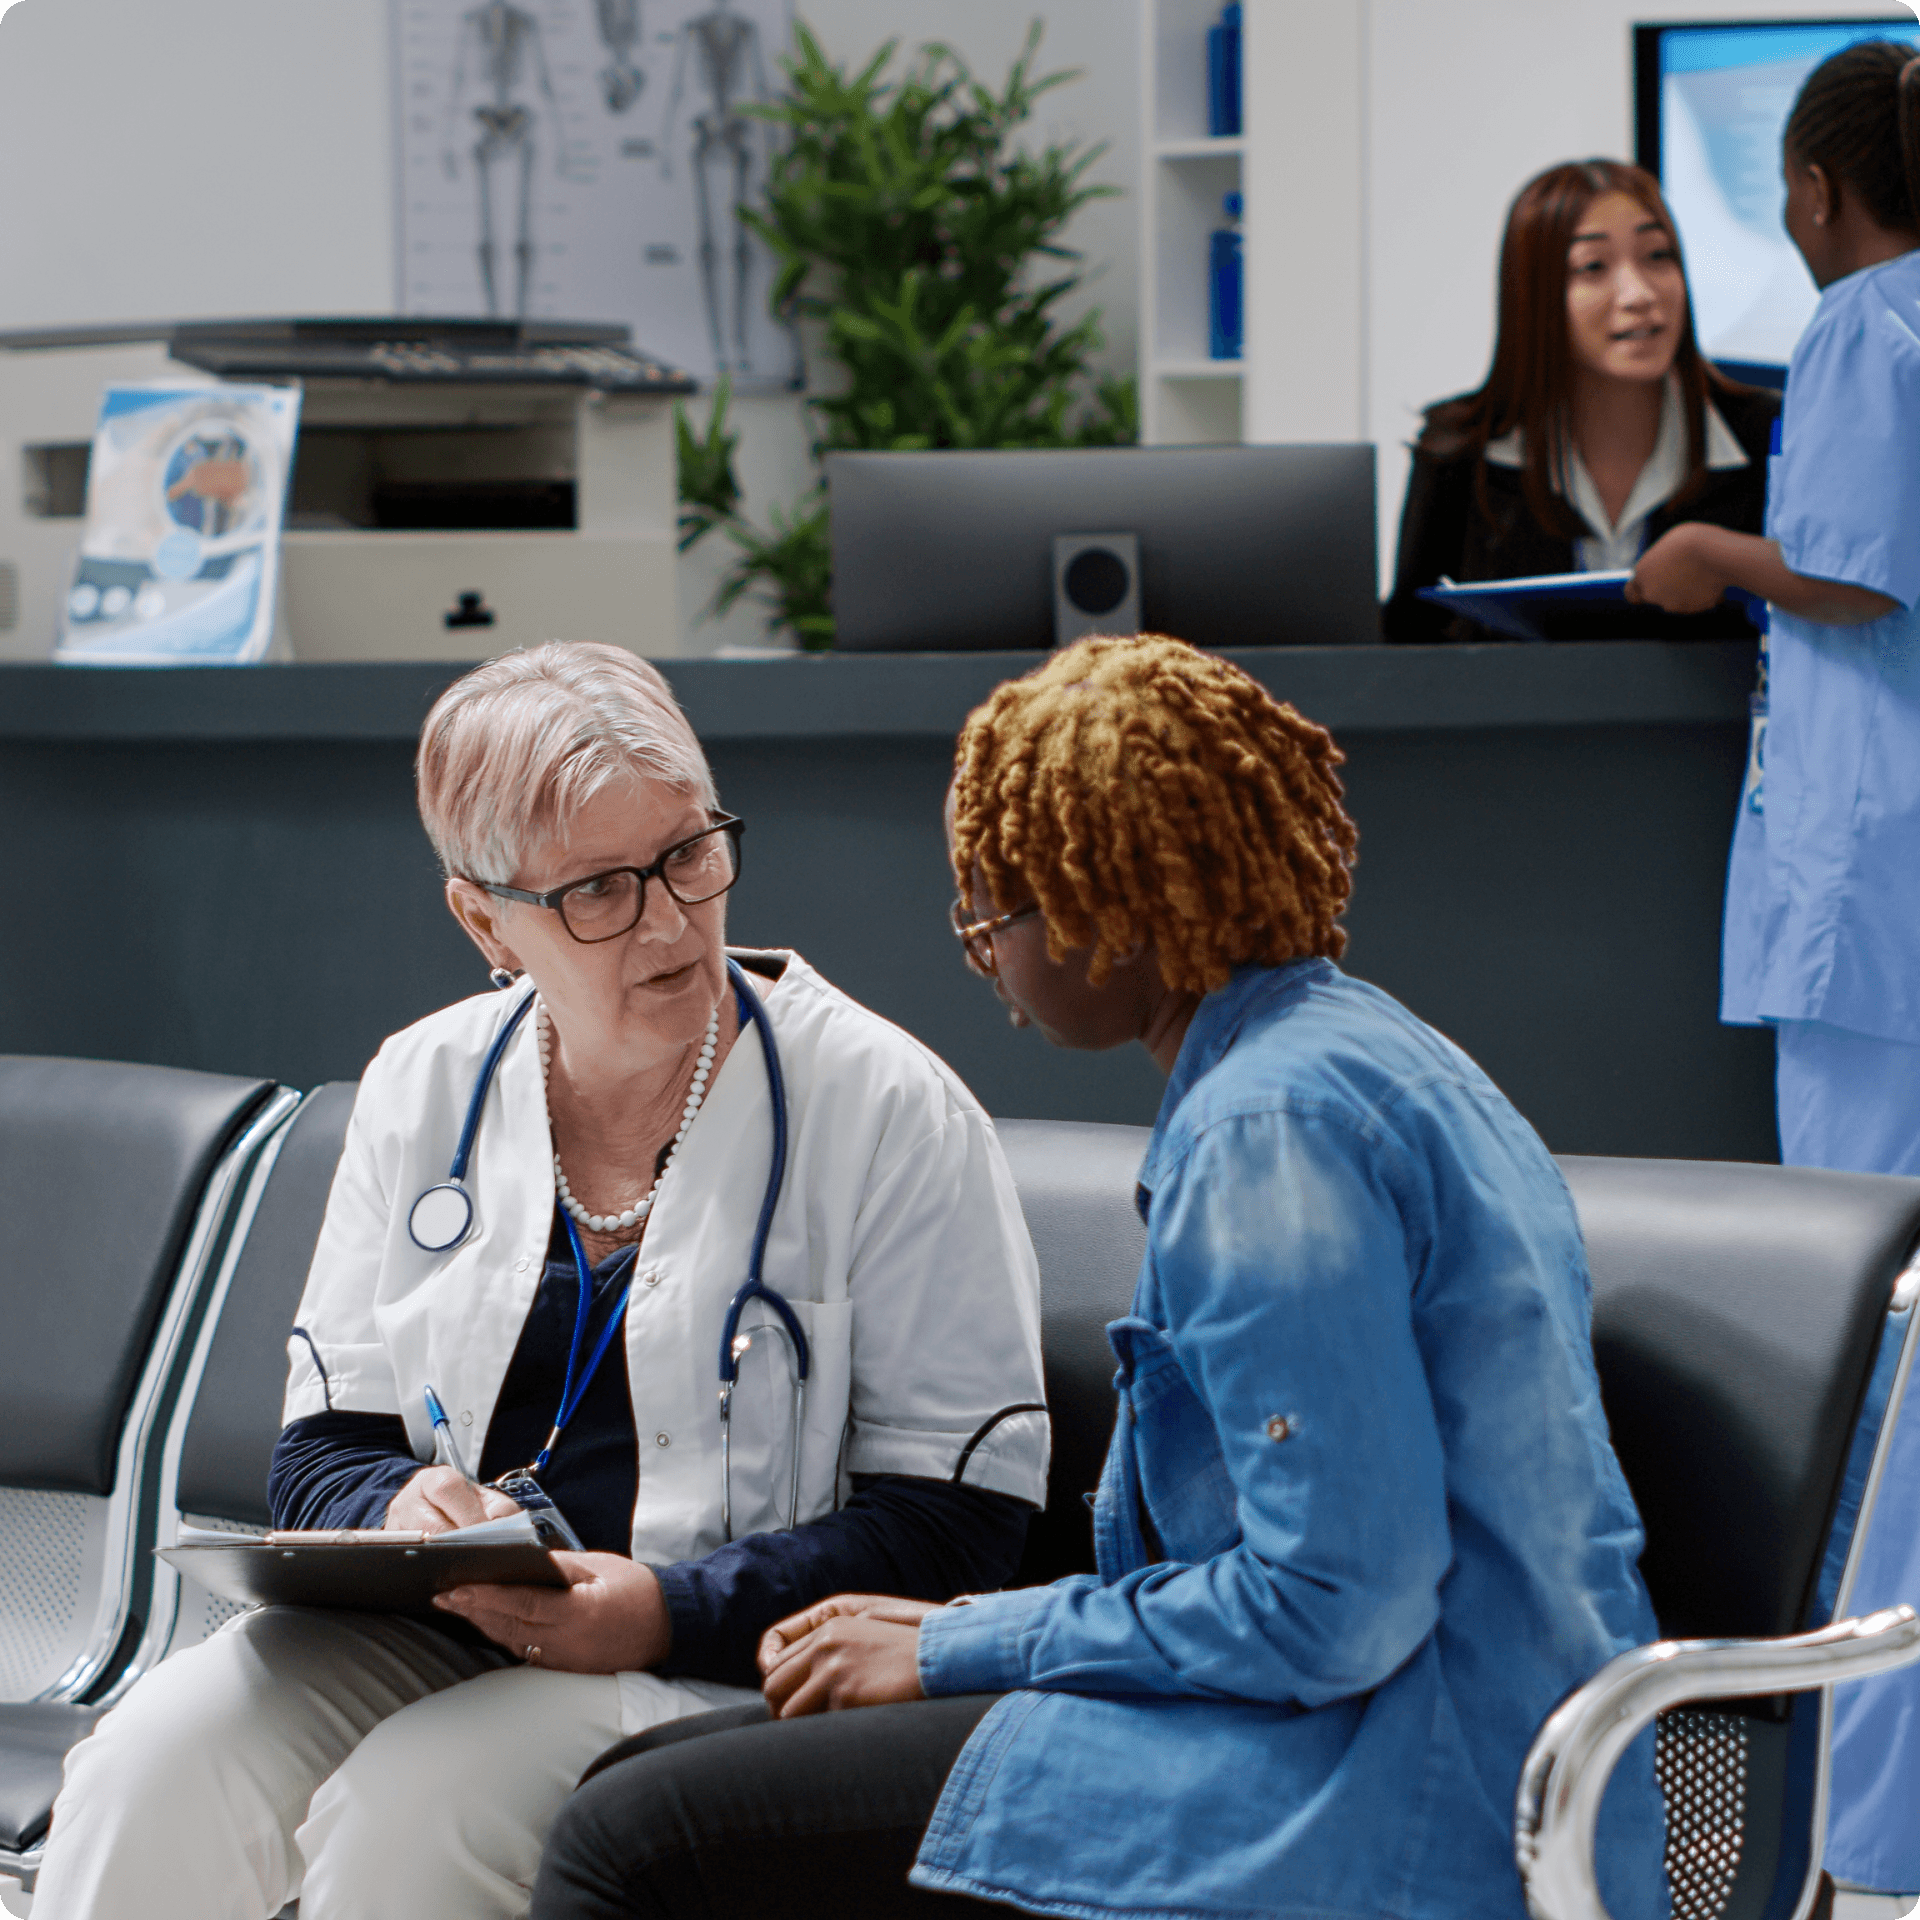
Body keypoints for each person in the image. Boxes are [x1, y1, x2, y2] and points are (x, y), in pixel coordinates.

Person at [528, 634, 1668, 1920]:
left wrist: (959, 1641)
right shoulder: (1374, 1058)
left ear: (1110, 901)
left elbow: (1334, 1605)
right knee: (659, 1786)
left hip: (1384, 1795)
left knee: (628, 1840)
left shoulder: (1264, 1135)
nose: (984, 952)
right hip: (1437, 1752)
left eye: (994, 907)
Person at [28, 641, 1049, 1920]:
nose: (671, 920)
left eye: (690, 853)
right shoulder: (423, 1085)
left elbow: (960, 1527)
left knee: (416, 1815)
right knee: (147, 1766)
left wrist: (666, 1611)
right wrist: (401, 1509)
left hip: (713, 1662)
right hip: (428, 1624)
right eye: (599, 892)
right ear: (483, 918)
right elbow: (322, 1445)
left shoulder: (887, 1111)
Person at [1628, 41, 1920, 1897]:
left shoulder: (1864, 327)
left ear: (1809, 193)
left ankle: (1858, 1826)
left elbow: (1862, 572)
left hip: (1867, 918)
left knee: (1869, 1362)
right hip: (1889, 902)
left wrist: (1708, 550)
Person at [1385, 158, 1778, 643]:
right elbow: (1405, 652)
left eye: (1657, 256)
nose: (1638, 294)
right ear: (1535, 296)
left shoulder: (1766, 436)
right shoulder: (1459, 453)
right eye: (1593, 267)